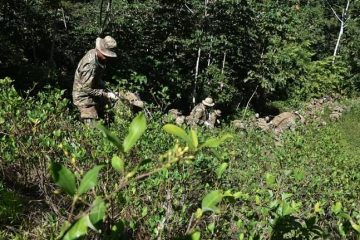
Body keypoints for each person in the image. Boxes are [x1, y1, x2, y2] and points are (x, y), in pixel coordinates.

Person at [72, 36, 119, 123]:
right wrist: (106, 94)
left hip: (93, 94)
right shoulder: (90, 65)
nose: (106, 58)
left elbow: (94, 78)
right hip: (83, 99)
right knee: (92, 130)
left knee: (108, 112)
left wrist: (104, 85)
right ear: (99, 49)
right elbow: (85, 88)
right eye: (105, 55)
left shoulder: (95, 55)